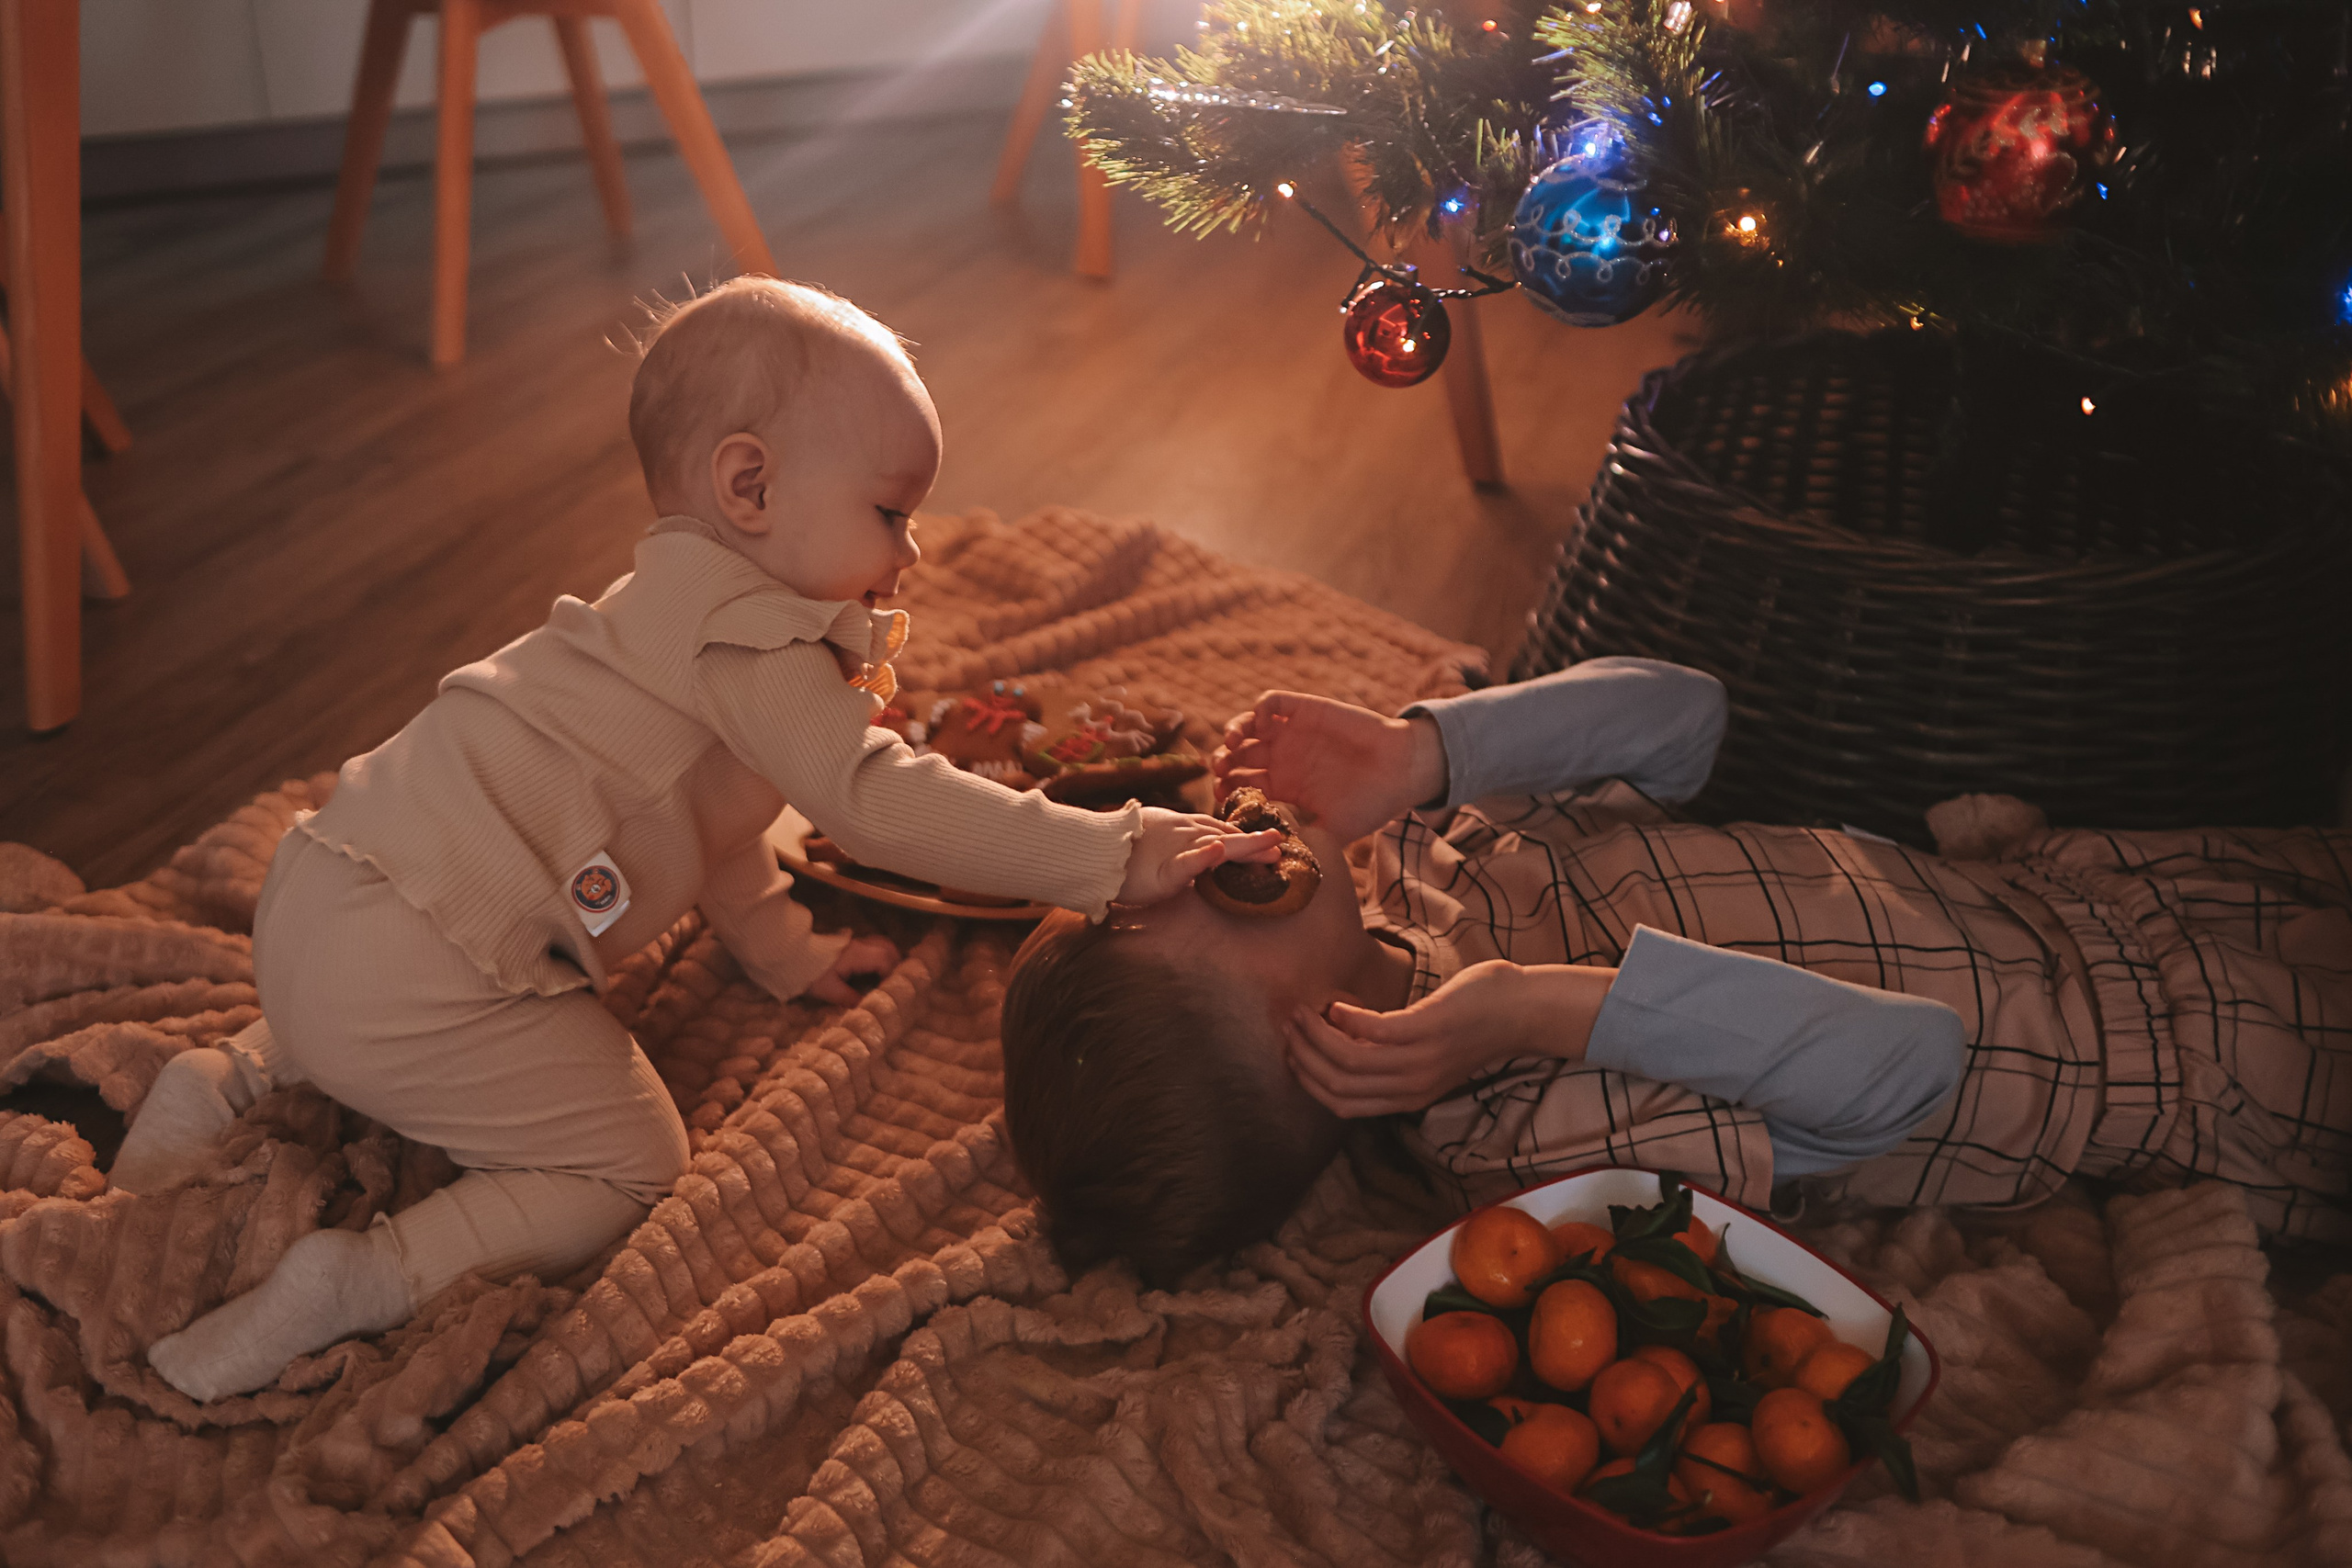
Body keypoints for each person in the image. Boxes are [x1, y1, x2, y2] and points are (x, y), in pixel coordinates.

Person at [120, 277, 1280, 1402]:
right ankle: (362, 1278)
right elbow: (867, 798)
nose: (913, 553)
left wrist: (784, 951)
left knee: (377, 994)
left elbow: (717, 819)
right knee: (628, 1162)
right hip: (423, 973)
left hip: (320, 895)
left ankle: (226, 1078)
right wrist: (1106, 855)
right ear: (750, 486)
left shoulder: (659, 611)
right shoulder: (754, 638)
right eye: (890, 514)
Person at [1000, 658, 2352, 1286]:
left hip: (2116, 886)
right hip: (2208, 1058)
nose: (1212, 838)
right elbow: (1916, 1062)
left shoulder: (1426, 861)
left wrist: (1428, 751)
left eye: (1163, 850)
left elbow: (1686, 717)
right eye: (1229, 886)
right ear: (1324, 1036)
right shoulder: (1541, 1142)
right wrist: (1547, 1005)